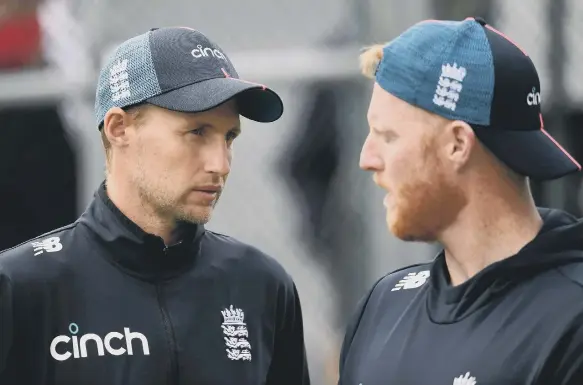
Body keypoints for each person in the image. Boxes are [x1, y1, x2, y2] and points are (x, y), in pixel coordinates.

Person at [0, 26, 310, 385]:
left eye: (229, 137)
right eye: (197, 132)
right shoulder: (21, 287)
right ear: (119, 129)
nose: (220, 164)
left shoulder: (261, 285)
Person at [338, 17, 583, 385]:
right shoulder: (384, 306)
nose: (366, 158)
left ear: (457, 144)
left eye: (387, 136)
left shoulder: (571, 315)